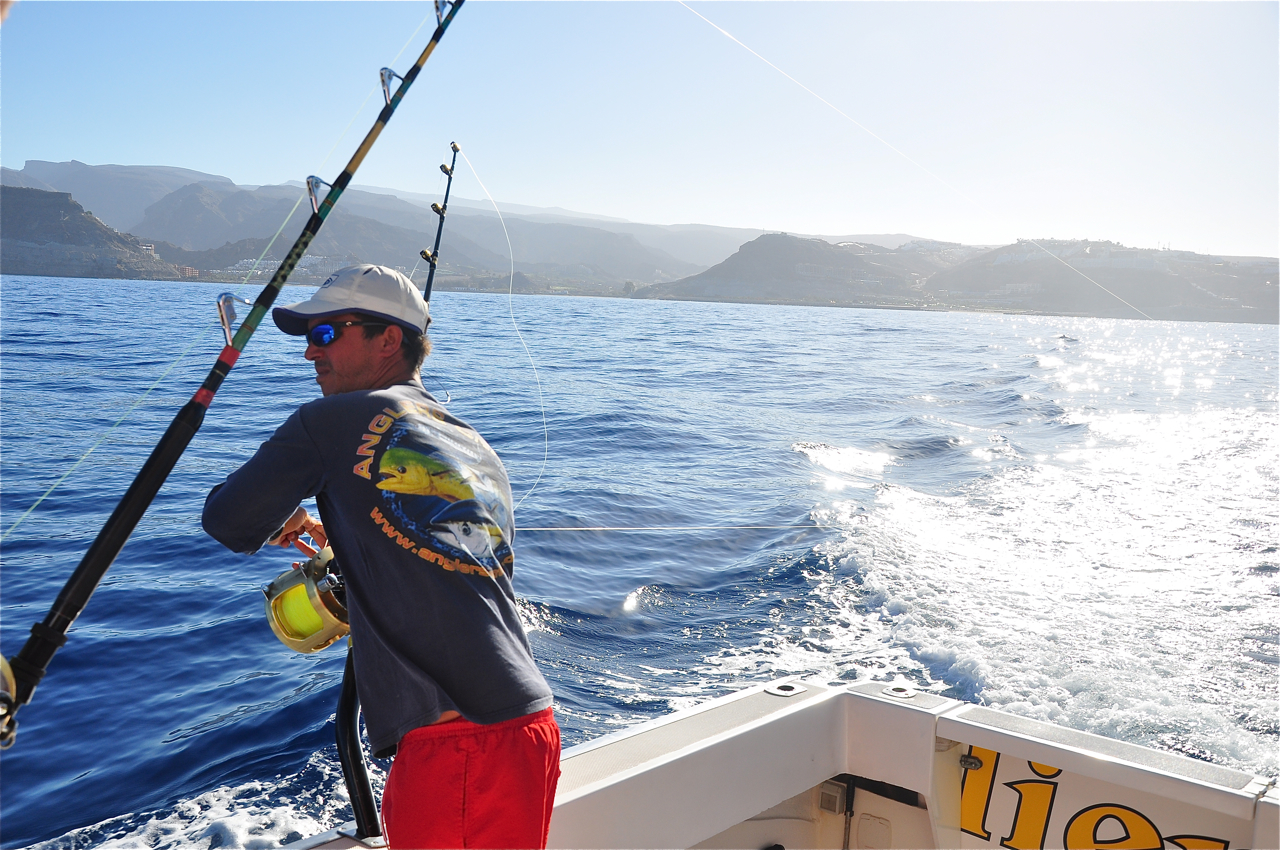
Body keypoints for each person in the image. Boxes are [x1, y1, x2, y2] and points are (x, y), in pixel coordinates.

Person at [202, 264, 559, 849]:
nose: (310, 354)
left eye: (325, 335)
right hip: (527, 726)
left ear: (388, 339)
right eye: (306, 338)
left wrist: (272, 514)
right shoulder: (471, 442)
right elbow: (440, 550)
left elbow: (227, 519)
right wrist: (340, 530)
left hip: (457, 745)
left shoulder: (330, 421)